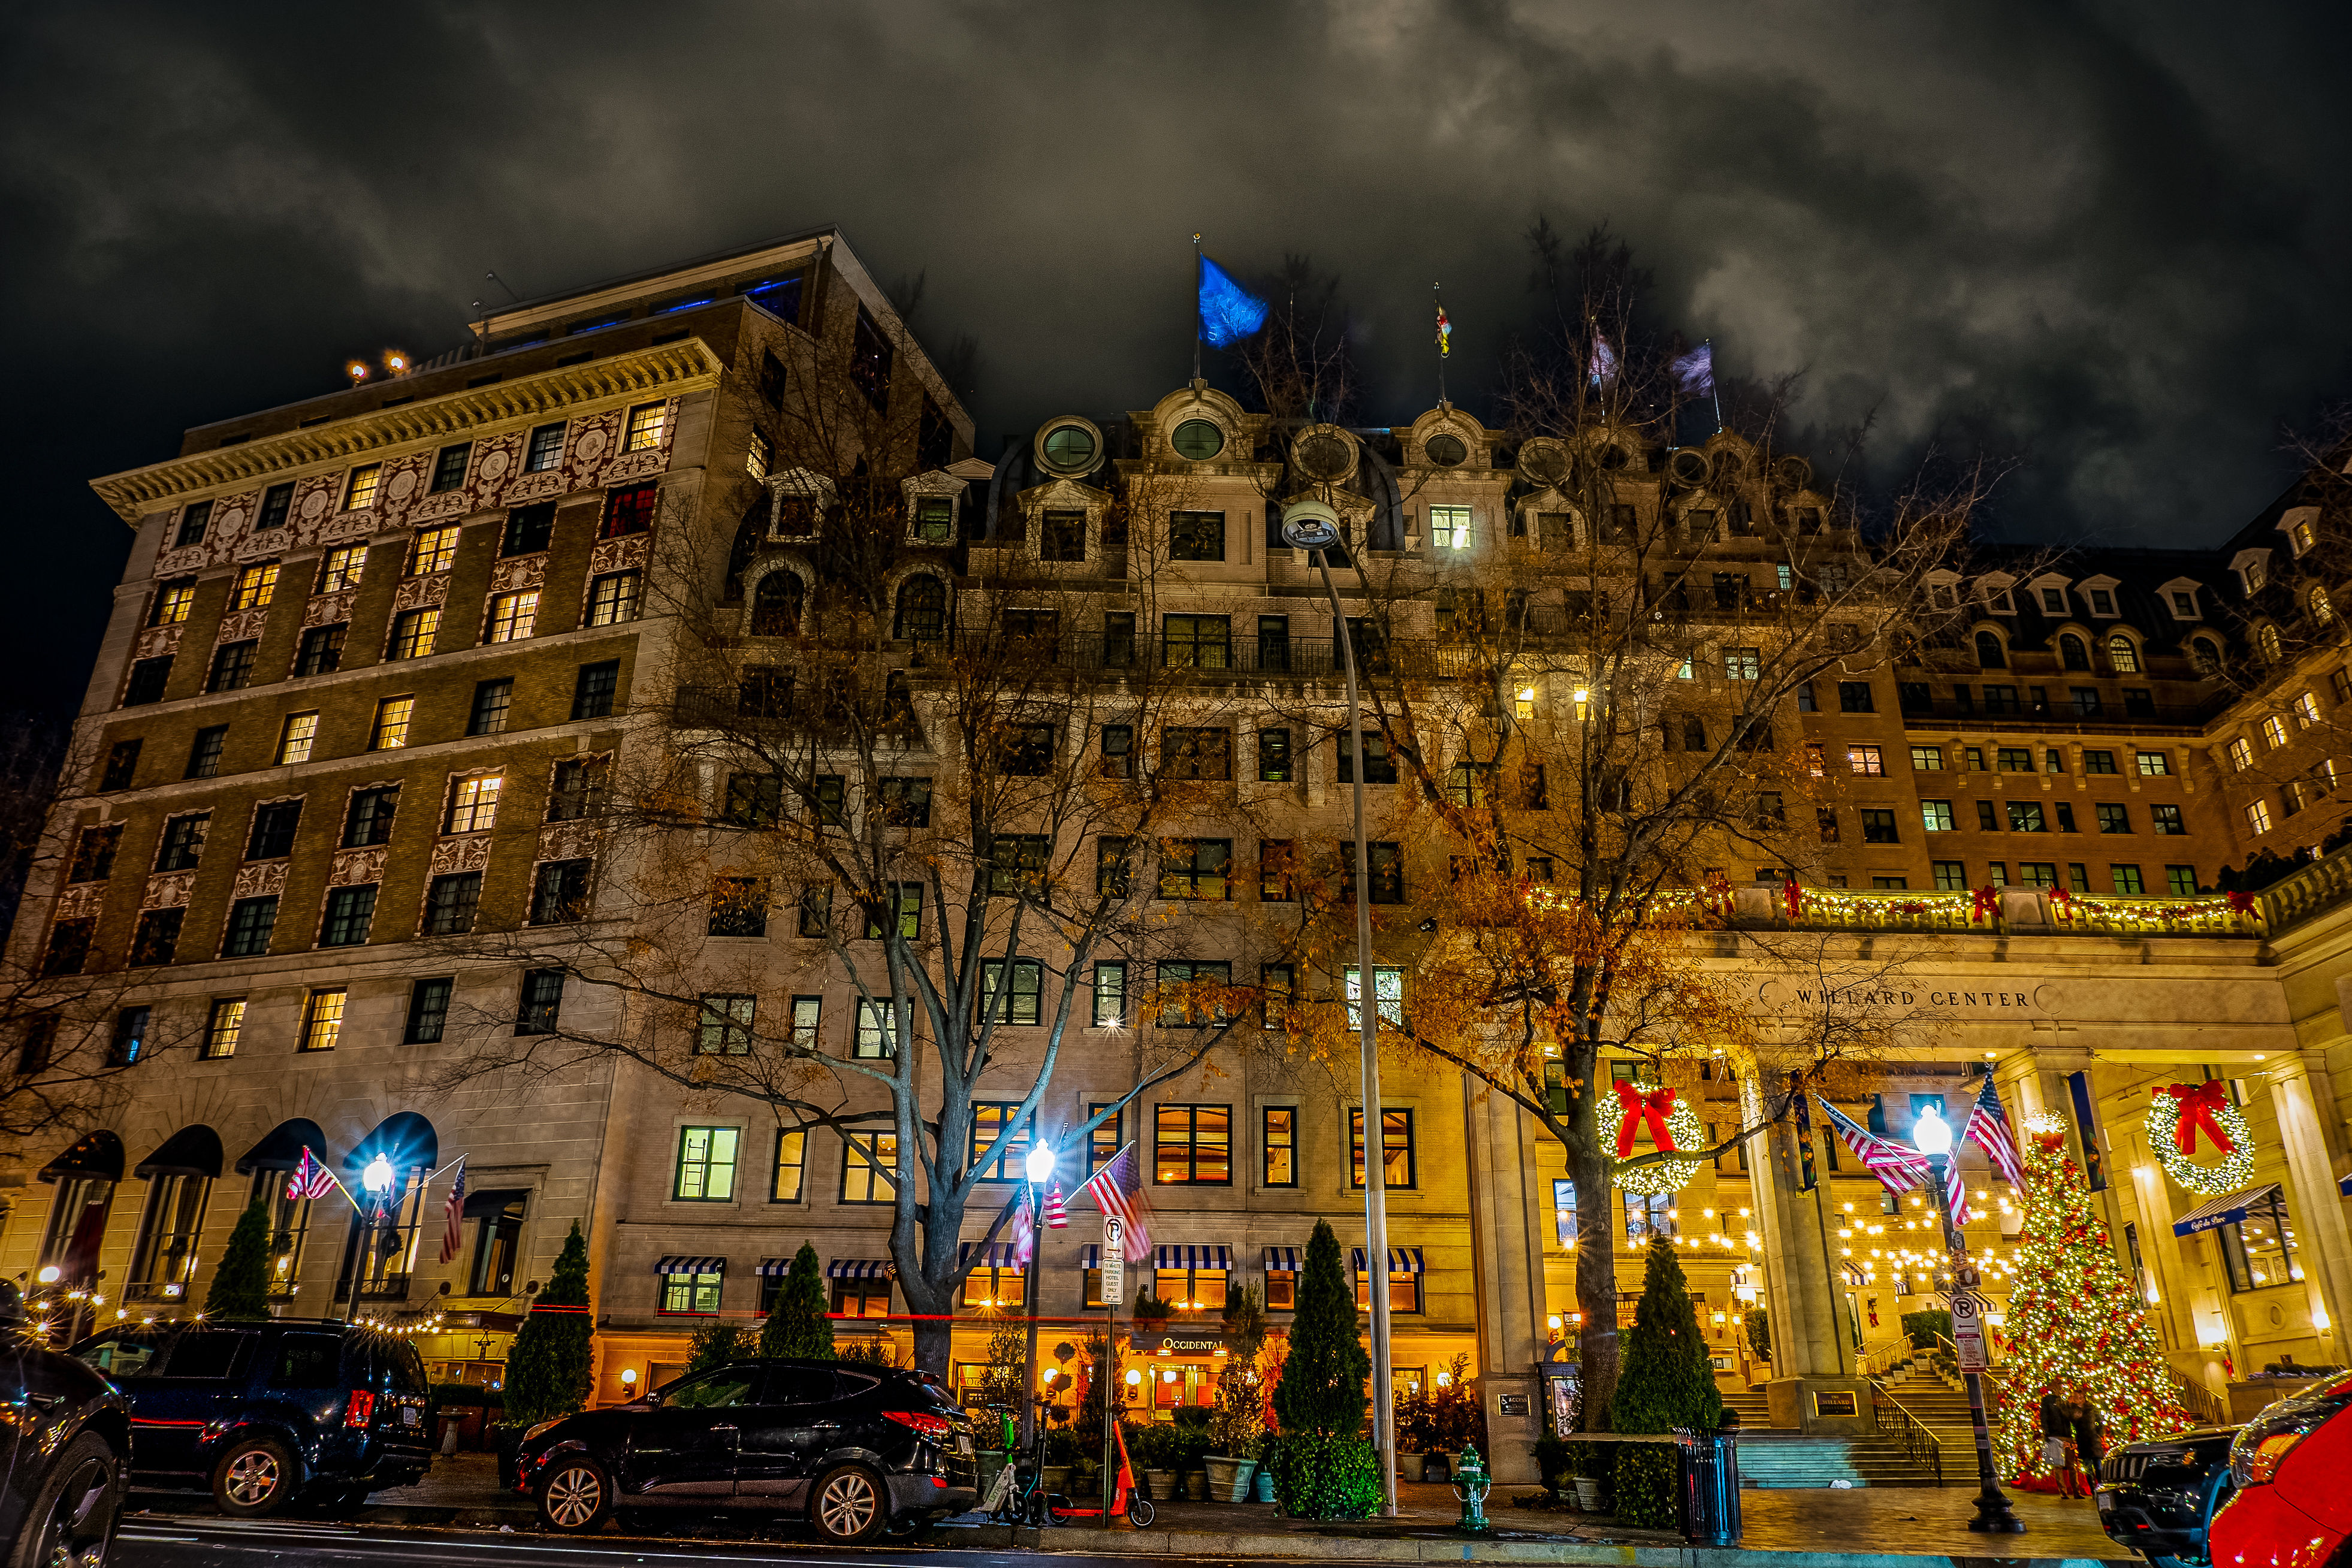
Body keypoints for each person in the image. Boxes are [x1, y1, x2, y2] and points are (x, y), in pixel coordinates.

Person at [2039, 1390, 2078, 1497]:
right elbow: (2044, 1417)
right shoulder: (2048, 1400)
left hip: (2067, 1435)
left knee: (2071, 1465)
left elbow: (2072, 1418)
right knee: (2058, 1465)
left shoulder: (2066, 1401)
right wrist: (2047, 1432)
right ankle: (2063, 1492)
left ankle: (2076, 1491)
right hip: (2054, 1435)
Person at [2070, 1386, 2107, 1497]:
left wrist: (2099, 1434)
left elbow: (2099, 1422)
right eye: (2076, 1397)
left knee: (2098, 1467)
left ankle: (2101, 1489)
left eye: (2081, 1396)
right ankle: (2093, 1491)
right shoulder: (2072, 1410)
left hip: (2094, 1441)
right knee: (2088, 1468)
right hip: (2083, 1442)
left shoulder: (2091, 1408)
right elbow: (2071, 1423)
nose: (2079, 1398)